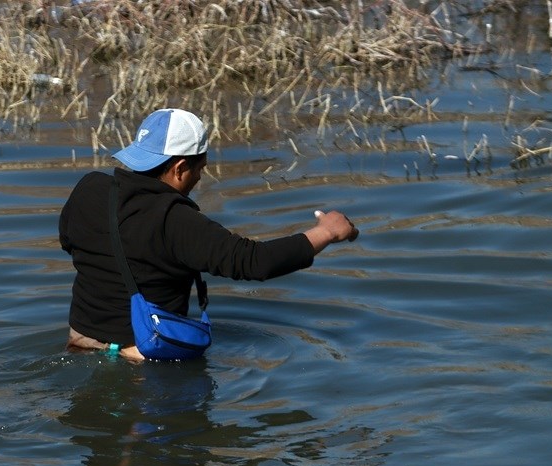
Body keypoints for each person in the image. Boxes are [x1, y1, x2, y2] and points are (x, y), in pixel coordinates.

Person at [59, 107, 359, 360]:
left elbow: (69, 243)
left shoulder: (89, 189)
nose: (200, 177)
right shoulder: (176, 220)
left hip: (80, 344)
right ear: (179, 168)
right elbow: (255, 261)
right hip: (141, 356)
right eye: (199, 169)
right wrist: (327, 232)